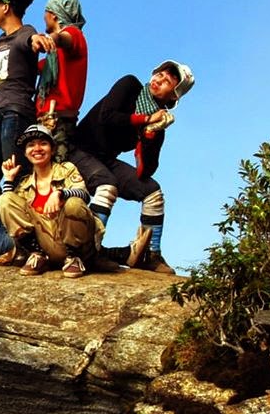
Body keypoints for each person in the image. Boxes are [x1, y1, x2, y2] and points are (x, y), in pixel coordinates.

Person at [70, 60, 195, 275]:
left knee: (153, 192)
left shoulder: (157, 121)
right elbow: (107, 116)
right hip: (79, 150)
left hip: (105, 160)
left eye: (167, 81)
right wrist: (145, 119)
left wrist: (150, 134)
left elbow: (146, 170)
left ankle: (150, 255)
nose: (159, 80)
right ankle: (88, 252)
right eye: (160, 74)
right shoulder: (130, 85)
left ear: (174, 96)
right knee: (107, 185)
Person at [0, 0, 53, 223]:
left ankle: (34, 235)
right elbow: (0, 68)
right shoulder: (2, 40)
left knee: (19, 179)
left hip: (17, 115)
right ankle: (15, 232)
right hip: (1, 116)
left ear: (6, 6)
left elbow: (30, 41)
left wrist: (37, 41)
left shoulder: (25, 32)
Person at [0, 124, 110, 277]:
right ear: (25, 153)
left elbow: (84, 195)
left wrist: (60, 193)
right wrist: (8, 179)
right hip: (46, 243)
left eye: (43, 143)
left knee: (73, 203)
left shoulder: (67, 169)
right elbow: (9, 211)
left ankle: (74, 257)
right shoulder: (24, 184)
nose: (37, 149)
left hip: (77, 243)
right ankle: (37, 255)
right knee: (5, 199)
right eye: (31, 145)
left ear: (53, 149)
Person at [34, 0, 90, 164]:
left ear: (54, 15)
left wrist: (50, 39)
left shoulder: (74, 35)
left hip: (57, 121)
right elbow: (32, 69)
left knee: (56, 171)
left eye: (46, 12)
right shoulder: (53, 59)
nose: (44, 17)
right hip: (43, 120)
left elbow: (63, 38)